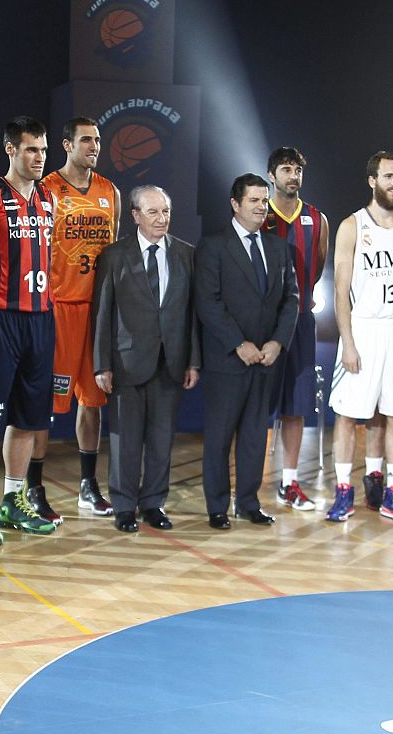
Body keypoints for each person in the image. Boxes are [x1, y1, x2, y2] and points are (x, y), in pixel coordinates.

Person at [0, 117, 59, 542]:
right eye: (31, 150)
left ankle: (13, 501)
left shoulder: (49, 199)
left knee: (28, 418)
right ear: (10, 150)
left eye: (43, 150)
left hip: (41, 319)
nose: (39, 158)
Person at [324, 152, 393, 525]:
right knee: (349, 415)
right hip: (364, 329)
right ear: (372, 181)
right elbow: (339, 291)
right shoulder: (352, 226)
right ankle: (342, 494)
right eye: (388, 176)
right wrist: (348, 341)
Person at [194, 174, 301, 529]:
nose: (260, 207)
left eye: (263, 200)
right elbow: (208, 303)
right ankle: (217, 507)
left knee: (256, 435)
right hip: (228, 360)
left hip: (267, 360)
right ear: (235, 204)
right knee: (220, 437)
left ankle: (249, 502)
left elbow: (291, 300)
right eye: (253, 200)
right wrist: (239, 344)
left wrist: (276, 342)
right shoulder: (213, 246)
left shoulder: (279, 247)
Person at [92, 185, 199, 532]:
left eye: (165, 211)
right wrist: (101, 364)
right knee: (125, 439)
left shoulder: (186, 254)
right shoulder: (114, 255)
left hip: (171, 362)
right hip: (126, 362)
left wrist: (193, 361)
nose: (161, 218)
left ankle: (154, 504)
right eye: (152, 212)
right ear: (135, 216)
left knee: (161, 439)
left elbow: (192, 314)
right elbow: (102, 313)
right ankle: (124, 507)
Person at [38, 117, 121, 520]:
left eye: (98, 140)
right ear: (67, 145)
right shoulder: (48, 189)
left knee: (94, 401)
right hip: (58, 307)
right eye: (86, 140)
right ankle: (32, 489)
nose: (94, 146)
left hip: (98, 310)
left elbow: (116, 253)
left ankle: (88, 486)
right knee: (45, 405)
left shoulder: (109, 191)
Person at [260, 147, 330, 513]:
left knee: (296, 406)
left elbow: (316, 269)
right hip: (263, 325)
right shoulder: (258, 214)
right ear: (271, 175)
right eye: (286, 169)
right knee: (258, 406)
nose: (293, 175)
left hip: (301, 321)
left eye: (298, 169)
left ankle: (289, 483)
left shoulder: (317, 219)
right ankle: (248, 485)